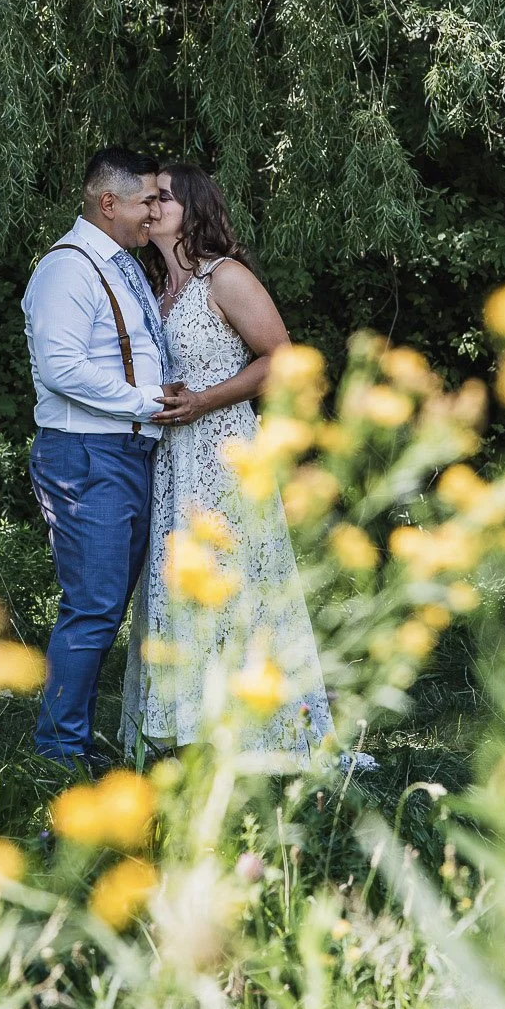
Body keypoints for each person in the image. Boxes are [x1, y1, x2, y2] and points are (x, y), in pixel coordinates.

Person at [120, 162, 333, 758]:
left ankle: (251, 724)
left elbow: (283, 359)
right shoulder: (155, 288)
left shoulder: (225, 277)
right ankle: (182, 722)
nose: (151, 206)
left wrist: (205, 401)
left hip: (223, 446)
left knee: (234, 578)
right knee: (176, 581)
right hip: (169, 456)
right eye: (146, 198)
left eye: (163, 196)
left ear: (193, 208)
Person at [22, 146, 177, 770]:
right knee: (93, 605)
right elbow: (61, 368)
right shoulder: (68, 269)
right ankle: (57, 754)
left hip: (124, 450)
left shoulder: (121, 265)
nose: (155, 211)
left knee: (109, 603)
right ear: (107, 202)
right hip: (87, 455)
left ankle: (72, 737)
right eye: (146, 200)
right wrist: (146, 402)